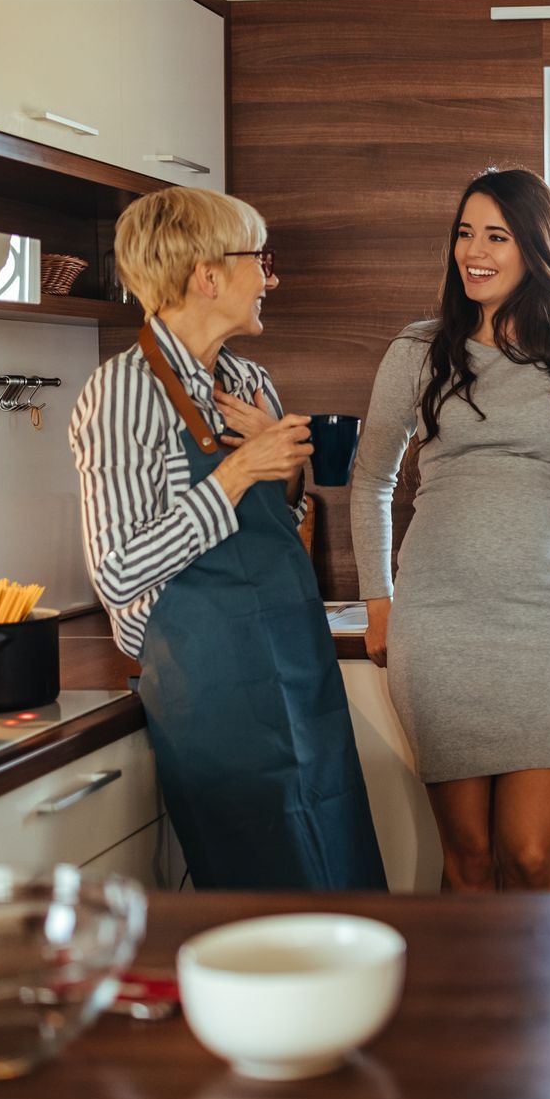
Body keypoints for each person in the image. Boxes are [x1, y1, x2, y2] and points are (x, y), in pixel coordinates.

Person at [349, 168, 550, 892]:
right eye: (465, 234)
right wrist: (381, 603)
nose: (475, 250)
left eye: (496, 235)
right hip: (437, 624)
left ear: (534, 246)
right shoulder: (418, 348)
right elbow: (370, 480)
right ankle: (475, 1009)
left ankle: (548, 1007)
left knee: (530, 855)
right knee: (466, 859)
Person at [70, 185, 386, 890]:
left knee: (339, 866)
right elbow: (118, 571)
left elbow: (275, 522)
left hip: (295, 666)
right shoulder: (122, 393)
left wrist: (286, 464)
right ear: (206, 275)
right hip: (207, 680)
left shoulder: (250, 380)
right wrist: (240, 470)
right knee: (265, 894)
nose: (268, 278)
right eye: (257, 260)